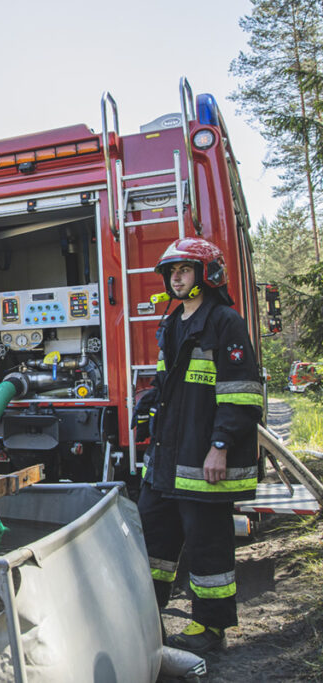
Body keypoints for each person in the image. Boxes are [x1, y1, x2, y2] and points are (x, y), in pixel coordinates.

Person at [133, 237, 263, 655]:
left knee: (208, 545)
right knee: (153, 540)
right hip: (167, 458)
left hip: (202, 459)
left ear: (208, 275)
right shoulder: (173, 323)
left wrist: (220, 446)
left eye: (184, 270)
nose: (176, 278)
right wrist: (147, 405)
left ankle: (210, 627)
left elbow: (242, 395)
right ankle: (146, 617)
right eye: (171, 272)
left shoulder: (225, 322)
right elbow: (166, 382)